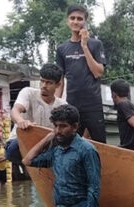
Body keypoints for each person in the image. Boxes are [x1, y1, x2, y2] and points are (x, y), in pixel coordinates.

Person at [22, 104, 101, 207]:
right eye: (56, 126)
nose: (58, 130)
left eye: (63, 126)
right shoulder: (57, 151)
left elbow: (94, 188)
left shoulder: (87, 150)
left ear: (75, 126)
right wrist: (47, 138)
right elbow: (27, 160)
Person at [55, 4, 107, 143]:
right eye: (72, 18)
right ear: (68, 21)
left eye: (80, 18)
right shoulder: (62, 49)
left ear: (85, 21)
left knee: (100, 144)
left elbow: (98, 72)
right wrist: (55, 104)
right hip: (72, 105)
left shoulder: (95, 44)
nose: (76, 21)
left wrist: (84, 45)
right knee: (70, 144)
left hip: (93, 104)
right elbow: (60, 81)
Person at [6, 63, 67, 163]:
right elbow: (15, 110)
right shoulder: (28, 92)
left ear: (58, 85)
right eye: (42, 81)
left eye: (49, 83)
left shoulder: (62, 105)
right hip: (19, 144)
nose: (44, 86)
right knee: (13, 149)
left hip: (44, 146)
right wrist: (21, 121)